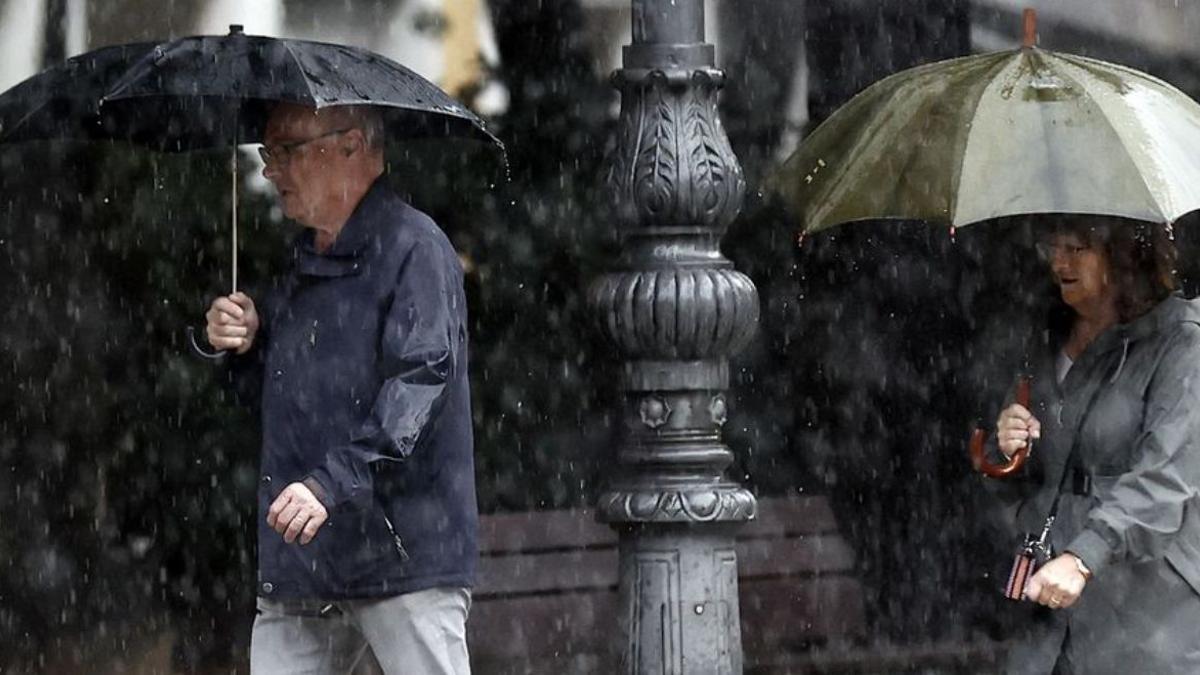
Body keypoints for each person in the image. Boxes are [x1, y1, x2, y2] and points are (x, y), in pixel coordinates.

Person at [204, 102, 477, 675]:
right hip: (304, 558)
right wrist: (246, 344)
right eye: (266, 153)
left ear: (352, 146)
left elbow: (420, 386)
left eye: (287, 152)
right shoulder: (304, 260)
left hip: (401, 559)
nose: (269, 171)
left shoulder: (416, 249)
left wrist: (329, 486)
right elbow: (286, 401)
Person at [985, 218, 1200, 674]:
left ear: (1124, 255)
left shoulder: (1182, 343)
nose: (1059, 261)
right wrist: (1007, 447)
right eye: (1053, 246)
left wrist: (1084, 557)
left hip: (1146, 615)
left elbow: (1164, 481)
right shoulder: (1045, 335)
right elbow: (1028, 474)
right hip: (1049, 614)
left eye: (1077, 248)